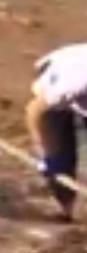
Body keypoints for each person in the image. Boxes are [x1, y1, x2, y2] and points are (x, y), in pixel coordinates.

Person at [26, 43, 87, 220]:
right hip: (55, 81)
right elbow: (33, 110)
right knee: (58, 156)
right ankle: (65, 210)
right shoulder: (74, 81)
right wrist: (41, 151)